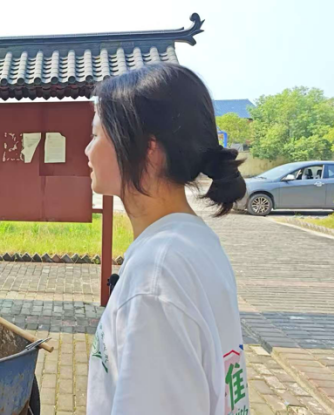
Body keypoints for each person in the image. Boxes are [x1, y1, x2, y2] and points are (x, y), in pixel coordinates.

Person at [85, 63, 249, 415]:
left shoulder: (155, 277)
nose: (87, 150)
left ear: (147, 149)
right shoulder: (194, 243)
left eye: (97, 135)